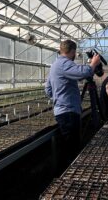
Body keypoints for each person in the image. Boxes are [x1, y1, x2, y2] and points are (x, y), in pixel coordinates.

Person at [45, 40, 100, 169]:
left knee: (67, 144)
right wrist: (93, 64)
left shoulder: (55, 65)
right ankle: (68, 173)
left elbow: (47, 89)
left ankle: (64, 170)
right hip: (69, 112)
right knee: (72, 147)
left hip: (61, 111)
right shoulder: (65, 64)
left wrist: (58, 97)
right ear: (73, 52)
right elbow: (83, 72)